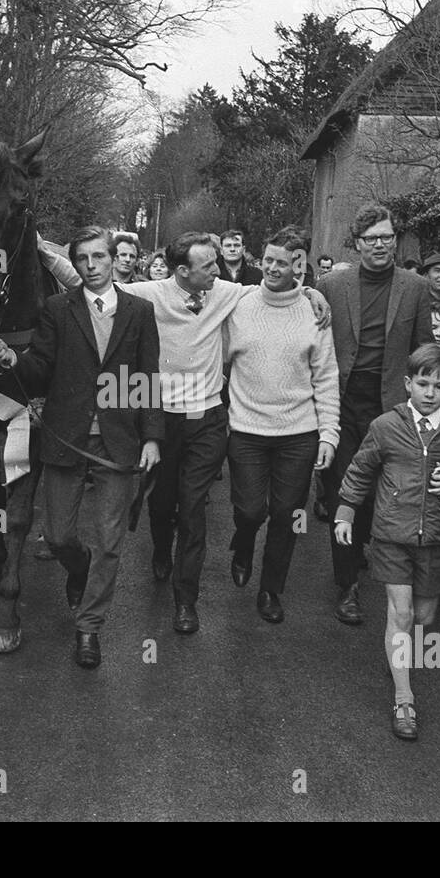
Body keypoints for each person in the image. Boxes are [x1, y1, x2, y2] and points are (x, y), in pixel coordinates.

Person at [121, 231, 330, 634]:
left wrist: (309, 293)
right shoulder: (150, 292)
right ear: (182, 271)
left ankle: (186, 601)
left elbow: (272, 287)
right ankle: (160, 548)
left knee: (194, 509)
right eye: (208, 266)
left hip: (210, 421)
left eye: (218, 264)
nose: (218, 272)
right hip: (163, 419)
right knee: (162, 504)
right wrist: (40, 246)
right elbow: (92, 285)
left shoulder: (224, 291)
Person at [0, 227, 163, 668]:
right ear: (75, 264)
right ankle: (77, 569)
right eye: (82, 259)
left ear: (114, 259)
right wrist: (15, 361)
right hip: (66, 438)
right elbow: (41, 369)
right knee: (60, 536)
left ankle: (89, 628)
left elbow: (146, 380)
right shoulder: (58, 309)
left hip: (118, 443)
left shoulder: (139, 311)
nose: (92, 265)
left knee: (109, 541)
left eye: (99, 256)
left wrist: (153, 438)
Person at [335, 343, 440, 741]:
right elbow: (360, 469)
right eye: (423, 384)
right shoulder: (385, 426)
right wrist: (346, 512)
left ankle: (397, 648)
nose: (430, 393)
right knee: (399, 614)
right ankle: (404, 698)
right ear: (408, 384)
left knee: (424, 616)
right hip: (391, 534)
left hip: (435, 537)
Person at [317, 202, 432, 626]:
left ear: (395, 240)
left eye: (386, 237)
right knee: (343, 490)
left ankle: (362, 543)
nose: (380, 245)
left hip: (391, 407)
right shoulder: (331, 285)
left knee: (381, 489)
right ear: (358, 243)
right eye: (371, 239)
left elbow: (423, 349)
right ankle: (346, 585)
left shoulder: (415, 287)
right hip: (343, 400)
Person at [224, 227, 339, 623]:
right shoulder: (238, 303)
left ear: (299, 265)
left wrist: (329, 433)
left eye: (282, 262)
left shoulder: (314, 311)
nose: (272, 268)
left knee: (288, 513)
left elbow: (326, 377)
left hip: (299, 434)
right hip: (247, 431)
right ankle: (242, 543)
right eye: (267, 260)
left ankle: (271, 590)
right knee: (250, 511)